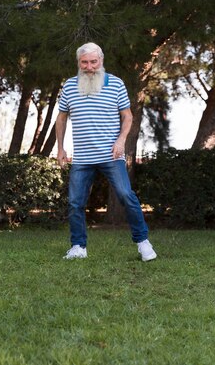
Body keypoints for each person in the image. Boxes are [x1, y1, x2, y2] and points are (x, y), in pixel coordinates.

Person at [55, 42, 157, 262]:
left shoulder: (116, 84)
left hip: (111, 155)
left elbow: (127, 116)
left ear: (101, 61)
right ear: (78, 63)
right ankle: (78, 247)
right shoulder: (70, 86)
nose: (89, 66)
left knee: (125, 195)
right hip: (82, 158)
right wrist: (60, 147)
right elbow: (61, 117)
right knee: (75, 203)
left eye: (93, 61)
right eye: (85, 62)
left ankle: (143, 243)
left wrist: (121, 141)